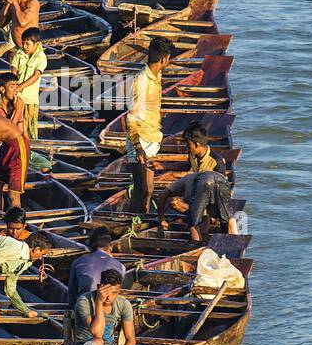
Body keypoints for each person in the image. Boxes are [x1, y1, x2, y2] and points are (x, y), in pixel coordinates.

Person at [156, 123, 235, 244]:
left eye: (188, 145)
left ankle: (204, 227)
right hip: (196, 190)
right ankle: (197, 221)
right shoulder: (193, 155)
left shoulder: (216, 162)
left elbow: (221, 190)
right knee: (173, 202)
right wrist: (165, 166)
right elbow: (187, 167)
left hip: (211, 198)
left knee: (196, 221)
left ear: (197, 145)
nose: (186, 147)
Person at [125, 37, 173, 217]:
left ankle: (142, 220)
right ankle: (131, 224)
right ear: (164, 59)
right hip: (141, 140)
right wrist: (138, 148)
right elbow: (130, 118)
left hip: (153, 137)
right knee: (141, 189)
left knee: (149, 189)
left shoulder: (156, 75)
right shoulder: (142, 81)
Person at [68, 227, 126, 302]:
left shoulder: (78, 262)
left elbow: (71, 294)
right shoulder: (120, 266)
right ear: (110, 246)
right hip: (108, 306)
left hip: (84, 305)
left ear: (90, 247)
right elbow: (119, 291)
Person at [10, 26, 47, 140]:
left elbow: (35, 76)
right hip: (16, 97)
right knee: (15, 125)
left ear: (36, 44)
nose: (25, 46)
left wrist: (20, 87)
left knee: (30, 129)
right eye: (23, 43)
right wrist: (13, 85)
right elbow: (14, 70)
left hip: (30, 99)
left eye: (28, 44)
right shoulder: (19, 53)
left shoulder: (41, 57)